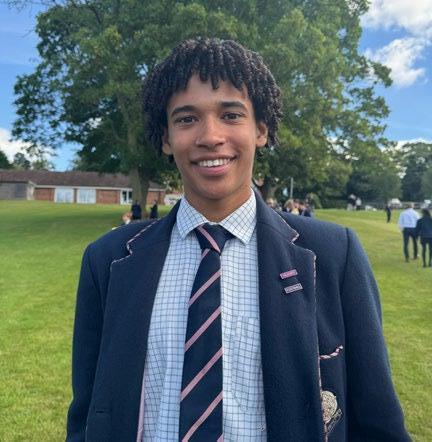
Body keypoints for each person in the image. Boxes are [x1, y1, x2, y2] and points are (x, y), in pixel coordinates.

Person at [67, 38, 410, 441]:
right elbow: (88, 418)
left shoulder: (335, 255)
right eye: (186, 119)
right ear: (165, 138)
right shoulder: (107, 260)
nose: (210, 136)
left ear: (260, 129)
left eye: (231, 115)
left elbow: (378, 424)